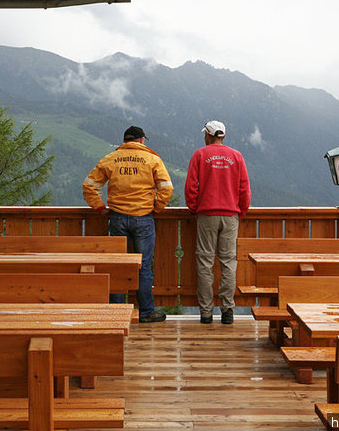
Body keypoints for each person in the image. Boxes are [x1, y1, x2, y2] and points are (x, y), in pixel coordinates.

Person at [83, 126, 174, 323]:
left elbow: (89, 186)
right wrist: (156, 208)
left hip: (117, 218)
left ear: (125, 141)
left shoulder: (110, 159)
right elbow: (167, 189)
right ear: (142, 141)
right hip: (143, 218)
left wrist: (100, 208)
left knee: (117, 265)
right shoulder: (152, 160)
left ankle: (116, 311)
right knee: (144, 267)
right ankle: (146, 312)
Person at [185, 120, 251, 324]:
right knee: (229, 263)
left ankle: (206, 313)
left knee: (205, 263)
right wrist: (241, 210)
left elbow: (191, 188)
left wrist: (196, 208)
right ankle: (228, 311)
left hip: (207, 215)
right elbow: (244, 188)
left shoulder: (200, 155)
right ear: (223, 136)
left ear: (208, 135)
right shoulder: (236, 156)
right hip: (231, 215)